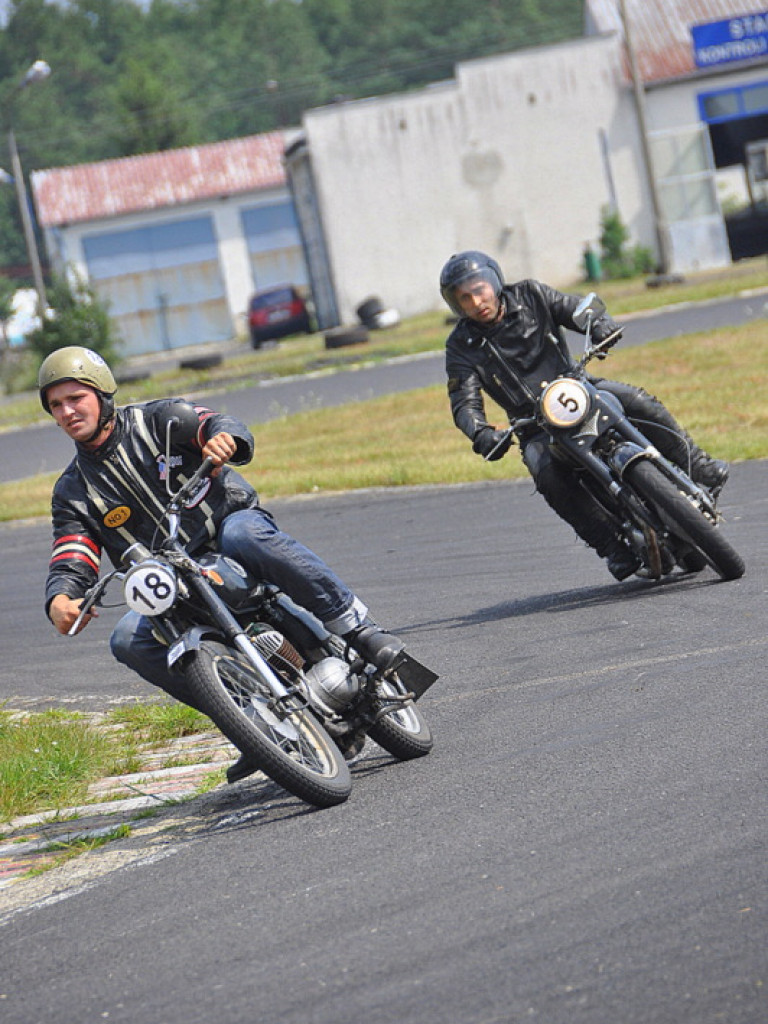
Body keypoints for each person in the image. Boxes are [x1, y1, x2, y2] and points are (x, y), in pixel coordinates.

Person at [40, 346, 405, 781]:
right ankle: (250, 722)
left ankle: (357, 628)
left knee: (244, 532)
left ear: (101, 394)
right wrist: (61, 596)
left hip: (224, 533)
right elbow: (72, 550)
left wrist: (223, 438)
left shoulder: (162, 421)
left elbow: (215, 422)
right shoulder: (73, 491)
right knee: (126, 639)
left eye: (75, 398)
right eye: (56, 405)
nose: (66, 412)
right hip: (170, 579)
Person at [439, 251, 729, 581]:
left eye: (480, 290)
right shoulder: (460, 345)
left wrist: (599, 325)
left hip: (578, 388)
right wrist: (481, 433)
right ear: (456, 305)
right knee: (545, 473)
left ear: (494, 282)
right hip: (533, 424)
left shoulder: (531, 294)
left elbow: (576, 309)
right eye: (464, 298)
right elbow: (464, 402)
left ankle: (700, 466)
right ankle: (612, 546)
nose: (476, 301)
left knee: (639, 400)